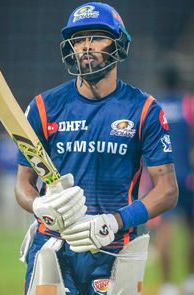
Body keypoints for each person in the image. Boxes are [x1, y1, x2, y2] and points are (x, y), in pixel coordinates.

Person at [15, 3, 179, 294]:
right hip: (54, 245)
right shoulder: (43, 107)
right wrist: (38, 206)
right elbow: (23, 185)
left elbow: (167, 190)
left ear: (118, 44)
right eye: (78, 39)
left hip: (113, 249)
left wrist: (114, 222)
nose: (86, 46)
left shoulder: (144, 110)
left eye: (96, 36)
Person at [151, 67, 194, 295]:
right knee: (191, 231)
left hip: (161, 179)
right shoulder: (189, 105)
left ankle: (168, 286)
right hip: (188, 178)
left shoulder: (154, 107)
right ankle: (190, 280)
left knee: (164, 232)